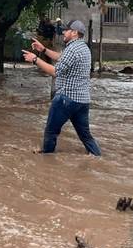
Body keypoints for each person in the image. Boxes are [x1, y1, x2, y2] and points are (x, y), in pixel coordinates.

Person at [22, 19, 101, 156]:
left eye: (66, 30)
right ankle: (97, 157)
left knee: (51, 131)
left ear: (74, 33)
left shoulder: (72, 49)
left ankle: (47, 160)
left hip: (66, 99)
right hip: (82, 101)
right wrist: (44, 50)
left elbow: (55, 72)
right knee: (86, 136)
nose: (63, 32)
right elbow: (62, 57)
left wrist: (35, 59)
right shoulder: (84, 48)